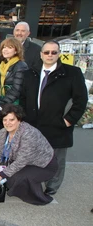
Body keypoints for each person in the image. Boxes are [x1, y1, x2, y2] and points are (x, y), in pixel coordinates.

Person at [20, 40, 88, 195]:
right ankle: (35, 181)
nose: (50, 55)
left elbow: (80, 100)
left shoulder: (72, 73)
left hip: (58, 125)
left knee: (56, 158)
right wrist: (24, 118)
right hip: (34, 123)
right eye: (46, 52)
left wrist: (68, 120)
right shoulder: (30, 73)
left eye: (54, 52)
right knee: (34, 155)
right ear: (41, 54)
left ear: (59, 54)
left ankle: (52, 186)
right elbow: (23, 97)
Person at [0, 104, 58, 205]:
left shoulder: (29, 133)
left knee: (18, 177)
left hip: (43, 165)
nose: (7, 123)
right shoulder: (2, 133)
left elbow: (22, 161)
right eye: (5, 120)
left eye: (11, 120)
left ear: (19, 119)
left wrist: (1, 175)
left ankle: (36, 196)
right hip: (20, 161)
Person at [0, 38, 28, 107]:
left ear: (16, 51)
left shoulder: (21, 66)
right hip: (4, 101)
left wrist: (2, 103)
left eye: (10, 48)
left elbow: (17, 89)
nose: (5, 50)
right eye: (4, 47)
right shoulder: (2, 64)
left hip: (13, 105)